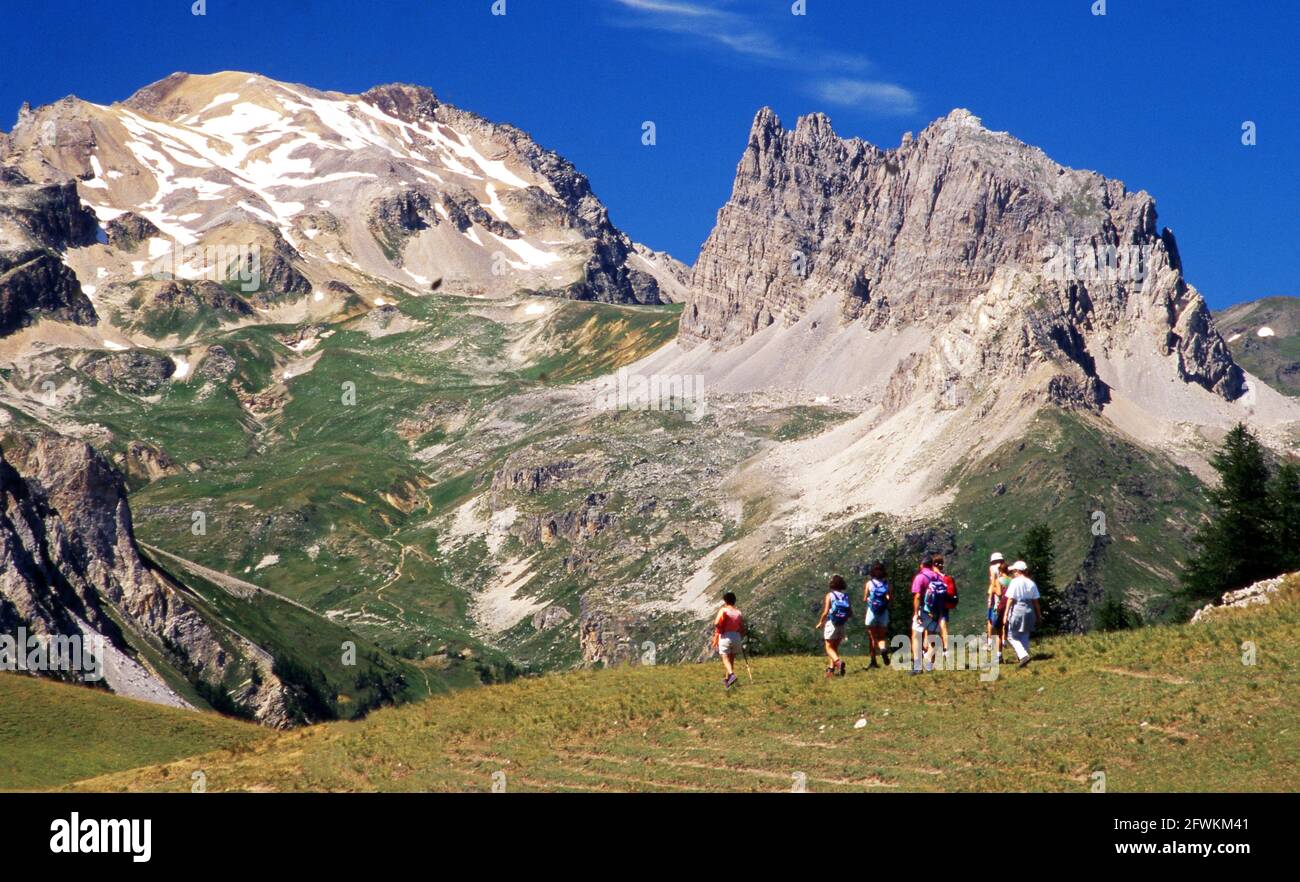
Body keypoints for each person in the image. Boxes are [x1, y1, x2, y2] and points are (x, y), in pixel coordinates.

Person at [909, 554, 944, 674]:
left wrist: (916, 613)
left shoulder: (920, 577)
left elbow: (918, 596)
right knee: (932, 636)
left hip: (923, 610)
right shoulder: (938, 577)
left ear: (921, 565)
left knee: (916, 636)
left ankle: (918, 666)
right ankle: (929, 665)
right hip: (935, 610)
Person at [1004, 561, 1041, 668]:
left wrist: (1006, 614)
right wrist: (1039, 615)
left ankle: (1023, 655)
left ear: (1018, 571)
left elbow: (1010, 599)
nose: (1013, 573)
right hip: (1030, 610)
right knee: (1025, 634)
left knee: (1011, 635)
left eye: (1014, 571)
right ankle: (1025, 657)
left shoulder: (1015, 582)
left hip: (1018, 609)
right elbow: (1036, 602)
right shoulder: (1031, 583)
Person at [815, 574, 852, 677]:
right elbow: (850, 613)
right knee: (834, 647)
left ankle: (838, 662)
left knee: (828, 648)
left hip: (832, 623)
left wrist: (820, 622)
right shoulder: (845, 596)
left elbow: (825, 612)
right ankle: (831, 670)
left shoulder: (830, 595)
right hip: (842, 624)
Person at [710, 592, 746, 688]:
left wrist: (719, 631)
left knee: (725, 657)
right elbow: (742, 627)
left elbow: (716, 623)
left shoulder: (724, 610)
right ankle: (728, 680)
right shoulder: (738, 612)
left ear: (725, 601)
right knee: (731, 659)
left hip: (726, 636)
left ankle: (731, 675)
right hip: (736, 636)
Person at [862, 562, 891, 668]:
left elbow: (865, 598)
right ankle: (883, 649)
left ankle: (873, 661)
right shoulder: (886, 584)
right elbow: (889, 598)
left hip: (872, 613)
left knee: (872, 637)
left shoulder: (869, 584)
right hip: (883, 612)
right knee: (881, 637)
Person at [931, 554, 957, 668]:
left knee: (930, 629)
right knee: (943, 626)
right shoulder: (946, 577)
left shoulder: (932, 576)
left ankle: (930, 653)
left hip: (932, 605)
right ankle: (946, 650)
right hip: (944, 604)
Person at [986, 552, 1011, 659]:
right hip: (1007, 602)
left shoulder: (992, 569)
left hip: (997, 602)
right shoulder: (1010, 579)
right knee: (1004, 623)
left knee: (992, 621)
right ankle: (1005, 640)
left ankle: (991, 642)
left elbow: (995, 587)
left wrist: (991, 594)